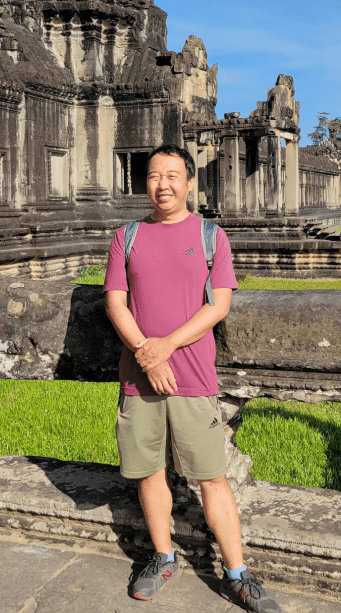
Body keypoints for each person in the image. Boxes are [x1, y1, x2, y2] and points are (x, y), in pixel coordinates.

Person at [104, 144, 281, 613]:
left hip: (193, 374)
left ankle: (238, 573)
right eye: (153, 175)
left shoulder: (209, 236)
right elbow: (116, 303)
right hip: (139, 377)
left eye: (172, 175)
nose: (162, 184)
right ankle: (163, 558)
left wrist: (165, 346)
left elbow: (218, 305)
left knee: (211, 477)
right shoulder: (127, 236)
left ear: (188, 182)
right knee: (149, 472)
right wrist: (148, 356)